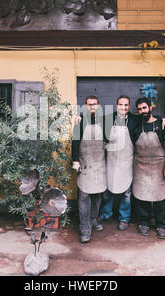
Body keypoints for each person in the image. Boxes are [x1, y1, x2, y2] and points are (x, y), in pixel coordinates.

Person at [100, 95, 165, 231]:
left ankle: (124, 218)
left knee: (127, 192)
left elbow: (150, 117)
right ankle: (105, 214)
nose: (124, 107)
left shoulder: (135, 119)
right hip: (111, 160)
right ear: (116, 105)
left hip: (127, 162)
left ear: (129, 106)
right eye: (121, 105)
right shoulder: (107, 119)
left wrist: (164, 119)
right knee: (108, 190)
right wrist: (78, 119)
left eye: (126, 105)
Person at [132, 97, 165, 239]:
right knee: (142, 197)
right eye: (139, 109)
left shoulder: (162, 125)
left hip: (159, 166)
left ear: (150, 108)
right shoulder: (136, 124)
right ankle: (143, 223)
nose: (141, 111)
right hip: (140, 167)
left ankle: (161, 225)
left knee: (160, 198)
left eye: (144, 108)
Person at [71, 96, 106, 243]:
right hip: (84, 164)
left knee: (97, 196)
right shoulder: (80, 122)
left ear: (98, 106)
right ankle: (85, 228)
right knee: (84, 196)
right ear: (85, 107)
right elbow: (75, 141)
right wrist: (75, 160)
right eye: (89, 104)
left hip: (99, 165)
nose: (92, 106)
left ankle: (92, 220)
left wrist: (162, 118)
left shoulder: (105, 121)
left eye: (94, 104)